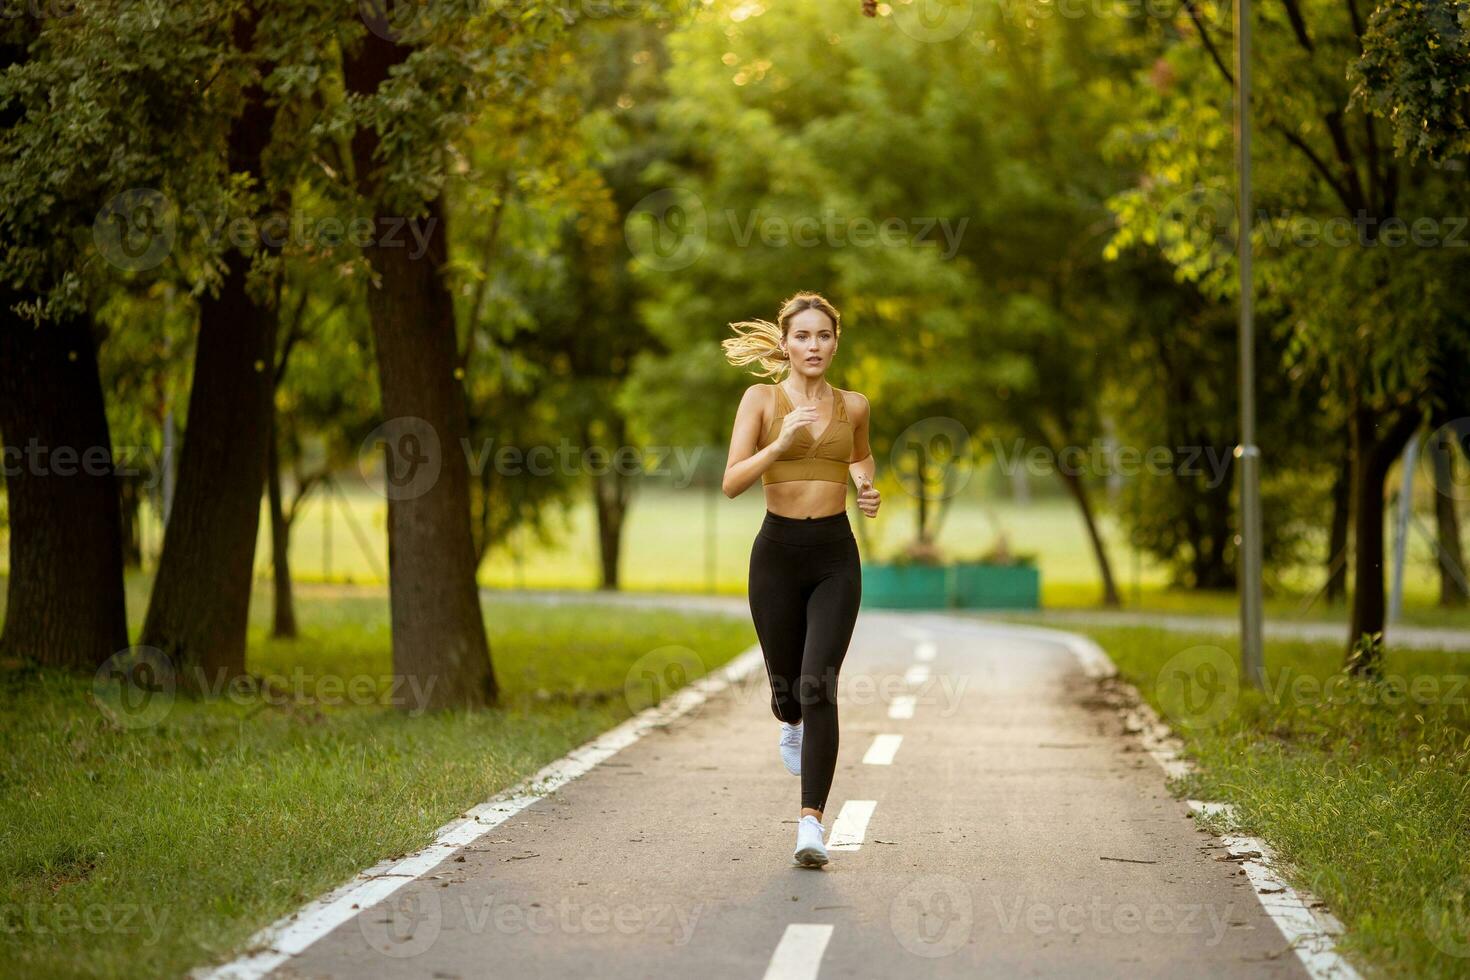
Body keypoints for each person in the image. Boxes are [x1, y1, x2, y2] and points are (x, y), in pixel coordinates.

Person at [720, 291, 881, 869]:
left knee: (819, 684)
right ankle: (787, 720)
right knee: (790, 692)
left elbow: (860, 456)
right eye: (803, 336)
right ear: (785, 343)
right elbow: (732, 481)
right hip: (777, 557)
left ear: (836, 342)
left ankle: (811, 823)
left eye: (824, 336)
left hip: (835, 555)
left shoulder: (854, 405)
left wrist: (866, 486)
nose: (814, 346)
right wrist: (781, 445)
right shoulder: (761, 400)